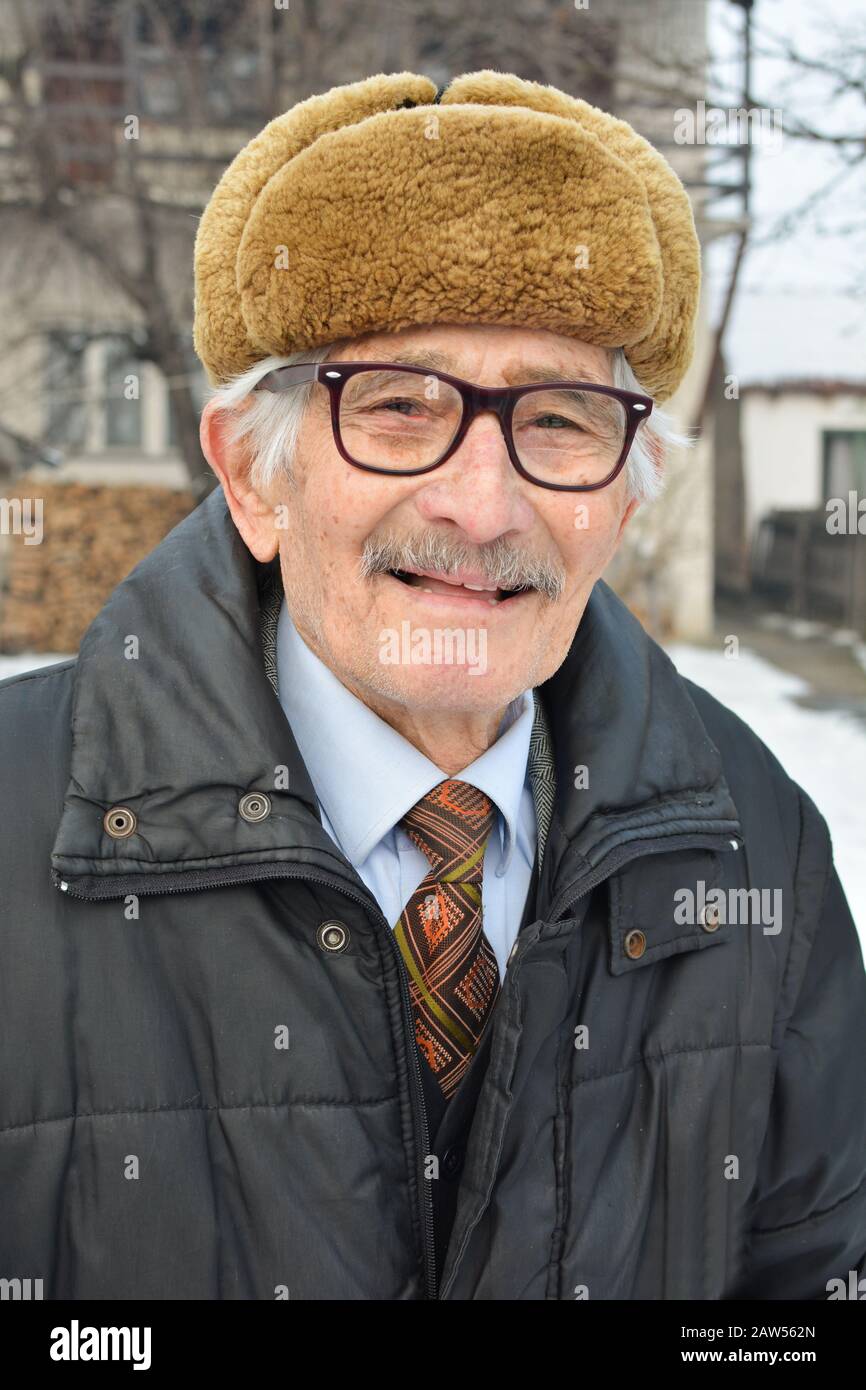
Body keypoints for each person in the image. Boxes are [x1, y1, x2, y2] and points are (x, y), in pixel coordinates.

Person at [1, 70, 863, 1300]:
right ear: (254, 476)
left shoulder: (756, 850)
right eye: (401, 406)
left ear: (622, 499)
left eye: (559, 420)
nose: (481, 502)